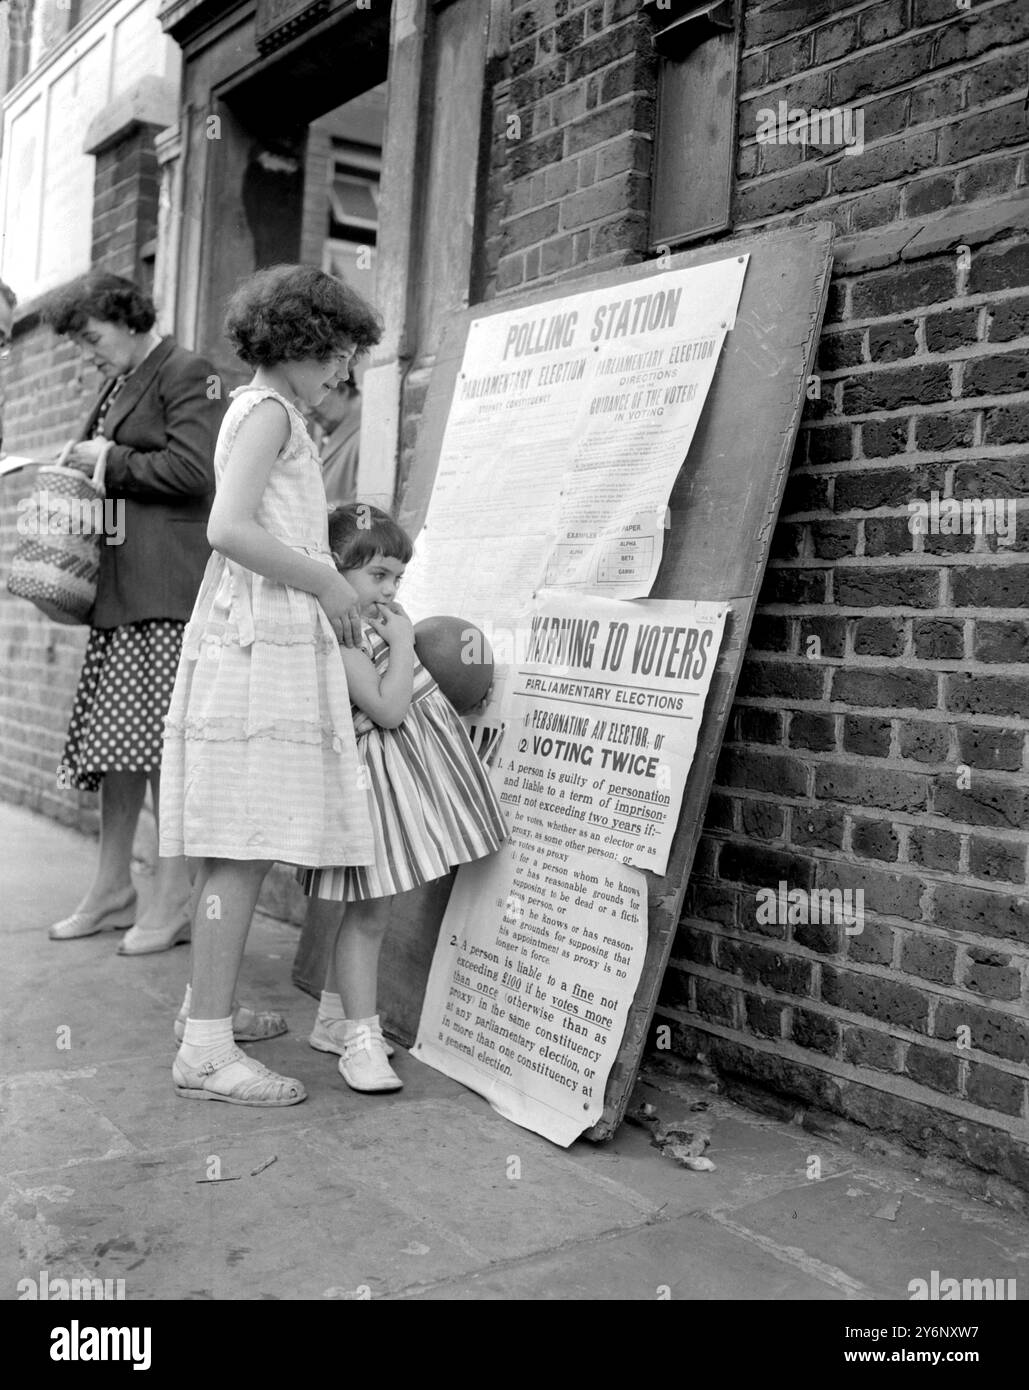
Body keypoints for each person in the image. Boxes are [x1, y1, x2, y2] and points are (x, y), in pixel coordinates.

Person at [161, 264, 382, 1107]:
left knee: (236, 840)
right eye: (334, 353)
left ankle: (203, 1015)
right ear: (294, 342)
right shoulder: (266, 413)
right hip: (255, 644)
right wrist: (327, 584)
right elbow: (228, 527)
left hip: (261, 638)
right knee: (242, 842)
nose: (342, 373)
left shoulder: (279, 413)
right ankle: (206, 1056)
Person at [42, 273, 225, 955]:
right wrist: (82, 457)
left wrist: (107, 458)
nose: (86, 352)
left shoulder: (188, 370)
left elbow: (196, 472)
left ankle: (172, 899)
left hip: (168, 595)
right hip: (124, 596)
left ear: (126, 317)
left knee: (159, 752)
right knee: (115, 751)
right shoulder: (119, 383)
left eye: (90, 336)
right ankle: (113, 888)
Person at [300, 503, 508, 1093]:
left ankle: (334, 1022)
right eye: (377, 576)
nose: (390, 590)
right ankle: (361, 1044)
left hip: (388, 792)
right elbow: (389, 710)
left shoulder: (361, 628)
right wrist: (405, 646)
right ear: (335, 573)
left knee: (372, 910)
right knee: (367, 916)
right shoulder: (339, 637)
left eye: (397, 577)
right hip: (366, 795)